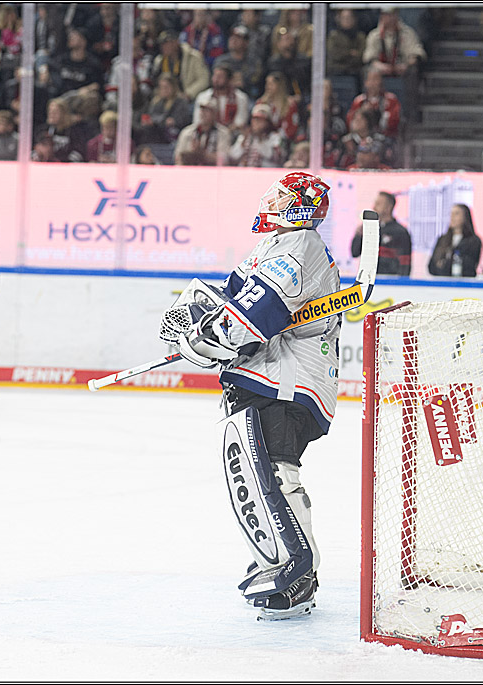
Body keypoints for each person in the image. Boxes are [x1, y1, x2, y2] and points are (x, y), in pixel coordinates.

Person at [164, 171, 339, 620]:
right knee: (263, 476)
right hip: (270, 378)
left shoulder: (301, 246)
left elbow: (251, 318)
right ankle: (284, 559)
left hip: (286, 383)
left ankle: (297, 574)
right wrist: (194, 321)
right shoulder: (273, 246)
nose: (271, 200)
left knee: (276, 475)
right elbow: (229, 297)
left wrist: (201, 340)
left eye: (282, 195)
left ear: (299, 205)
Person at [351, 191, 411, 276]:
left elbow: (405, 263)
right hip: (370, 280)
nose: (374, 207)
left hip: (391, 282)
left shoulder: (401, 232)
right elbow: (355, 253)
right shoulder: (369, 229)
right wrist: (359, 235)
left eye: (378, 204)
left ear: (388, 207)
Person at [428, 204, 482, 277]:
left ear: (465, 217)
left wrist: (446, 263)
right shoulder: (442, 240)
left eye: (456, 214)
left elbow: (469, 266)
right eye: (451, 214)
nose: (452, 217)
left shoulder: (473, 241)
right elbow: (432, 266)